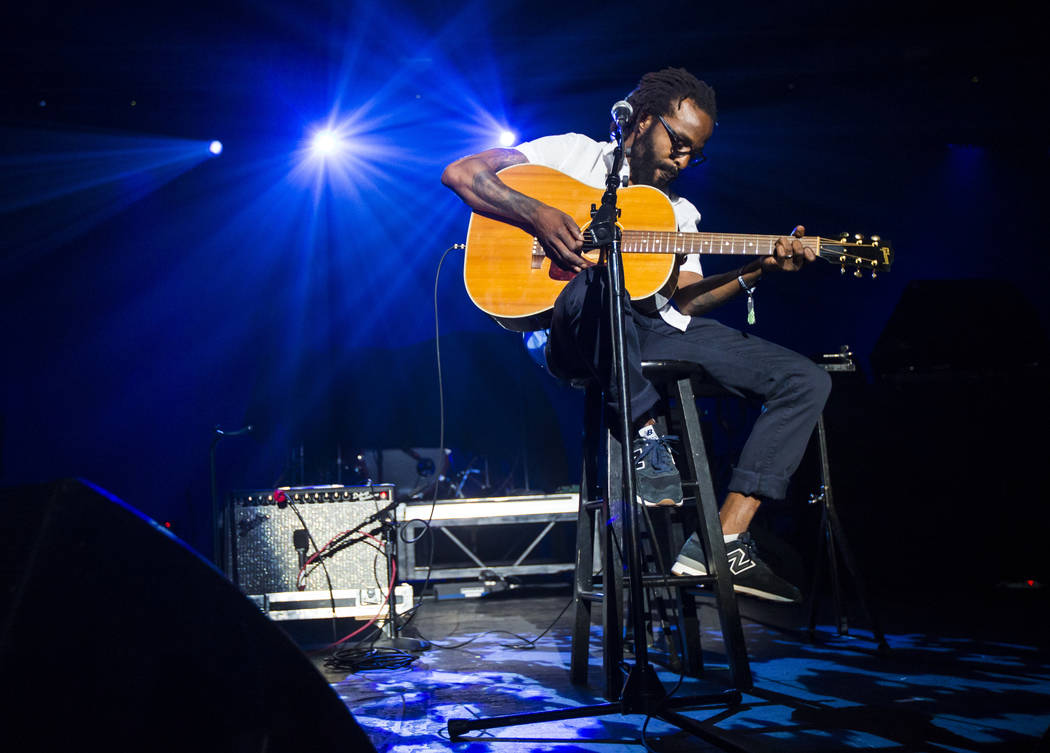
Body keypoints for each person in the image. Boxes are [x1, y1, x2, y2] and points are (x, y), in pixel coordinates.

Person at [441, 67, 831, 603]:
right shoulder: (570, 155)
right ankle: (647, 433)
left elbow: (687, 297)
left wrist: (758, 269)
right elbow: (462, 173)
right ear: (643, 120)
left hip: (650, 329)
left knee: (804, 379)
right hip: (576, 330)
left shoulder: (677, 213)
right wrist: (540, 214)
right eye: (679, 142)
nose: (684, 160)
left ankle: (725, 540)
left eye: (696, 153)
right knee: (597, 280)